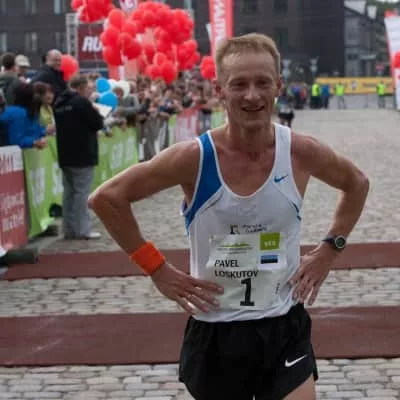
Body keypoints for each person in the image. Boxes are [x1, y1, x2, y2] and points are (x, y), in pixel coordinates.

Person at [88, 33, 369, 400]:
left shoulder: (300, 152)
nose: (252, 95)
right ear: (219, 90)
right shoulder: (194, 158)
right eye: (239, 84)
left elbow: (357, 184)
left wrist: (330, 249)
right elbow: (106, 198)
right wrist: (156, 268)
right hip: (216, 330)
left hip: (283, 324)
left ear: (278, 86)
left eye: (262, 83)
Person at [54, 74, 104, 240]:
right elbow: (97, 123)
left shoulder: (59, 102)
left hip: (65, 153)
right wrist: (95, 111)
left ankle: (68, 229)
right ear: (82, 87)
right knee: (82, 193)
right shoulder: (81, 102)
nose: (90, 91)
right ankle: (83, 229)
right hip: (82, 153)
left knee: (68, 194)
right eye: (88, 88)